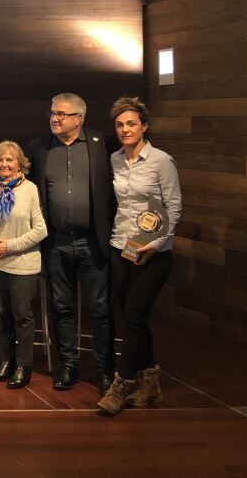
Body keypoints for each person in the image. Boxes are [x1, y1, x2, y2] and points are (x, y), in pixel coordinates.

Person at [20, 93, 118, 395]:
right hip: (57, 243)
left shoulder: (103, 145)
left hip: (92, 242)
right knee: (61, 308)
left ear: (79, 118)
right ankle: (68, 366)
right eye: (52, 113)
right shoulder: (38, 148)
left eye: (61, 114)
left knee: (99, 309)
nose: (54, 118)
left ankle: (105, 371)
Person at [97, 96, 181, 416]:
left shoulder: (161, 161)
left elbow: (173, 208)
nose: (125, 129)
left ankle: (122, 384)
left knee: (133, 314)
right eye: (120, 125)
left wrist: (156, 244)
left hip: (154, 252)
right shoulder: (115, 160)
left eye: (131, 123)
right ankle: (150, 382)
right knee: (134, 317)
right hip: (123, 246)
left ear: (144, 126)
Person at [0, 140, 48, 389]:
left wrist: (11, 245)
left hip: (23, 263)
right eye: (0, 160)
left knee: (21, 316)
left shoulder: (30, 190)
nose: (4, 164)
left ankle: (23, 365)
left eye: (10, 159)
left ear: (20, 164)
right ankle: (5, 361)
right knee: (2, 314)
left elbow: (41, 230)